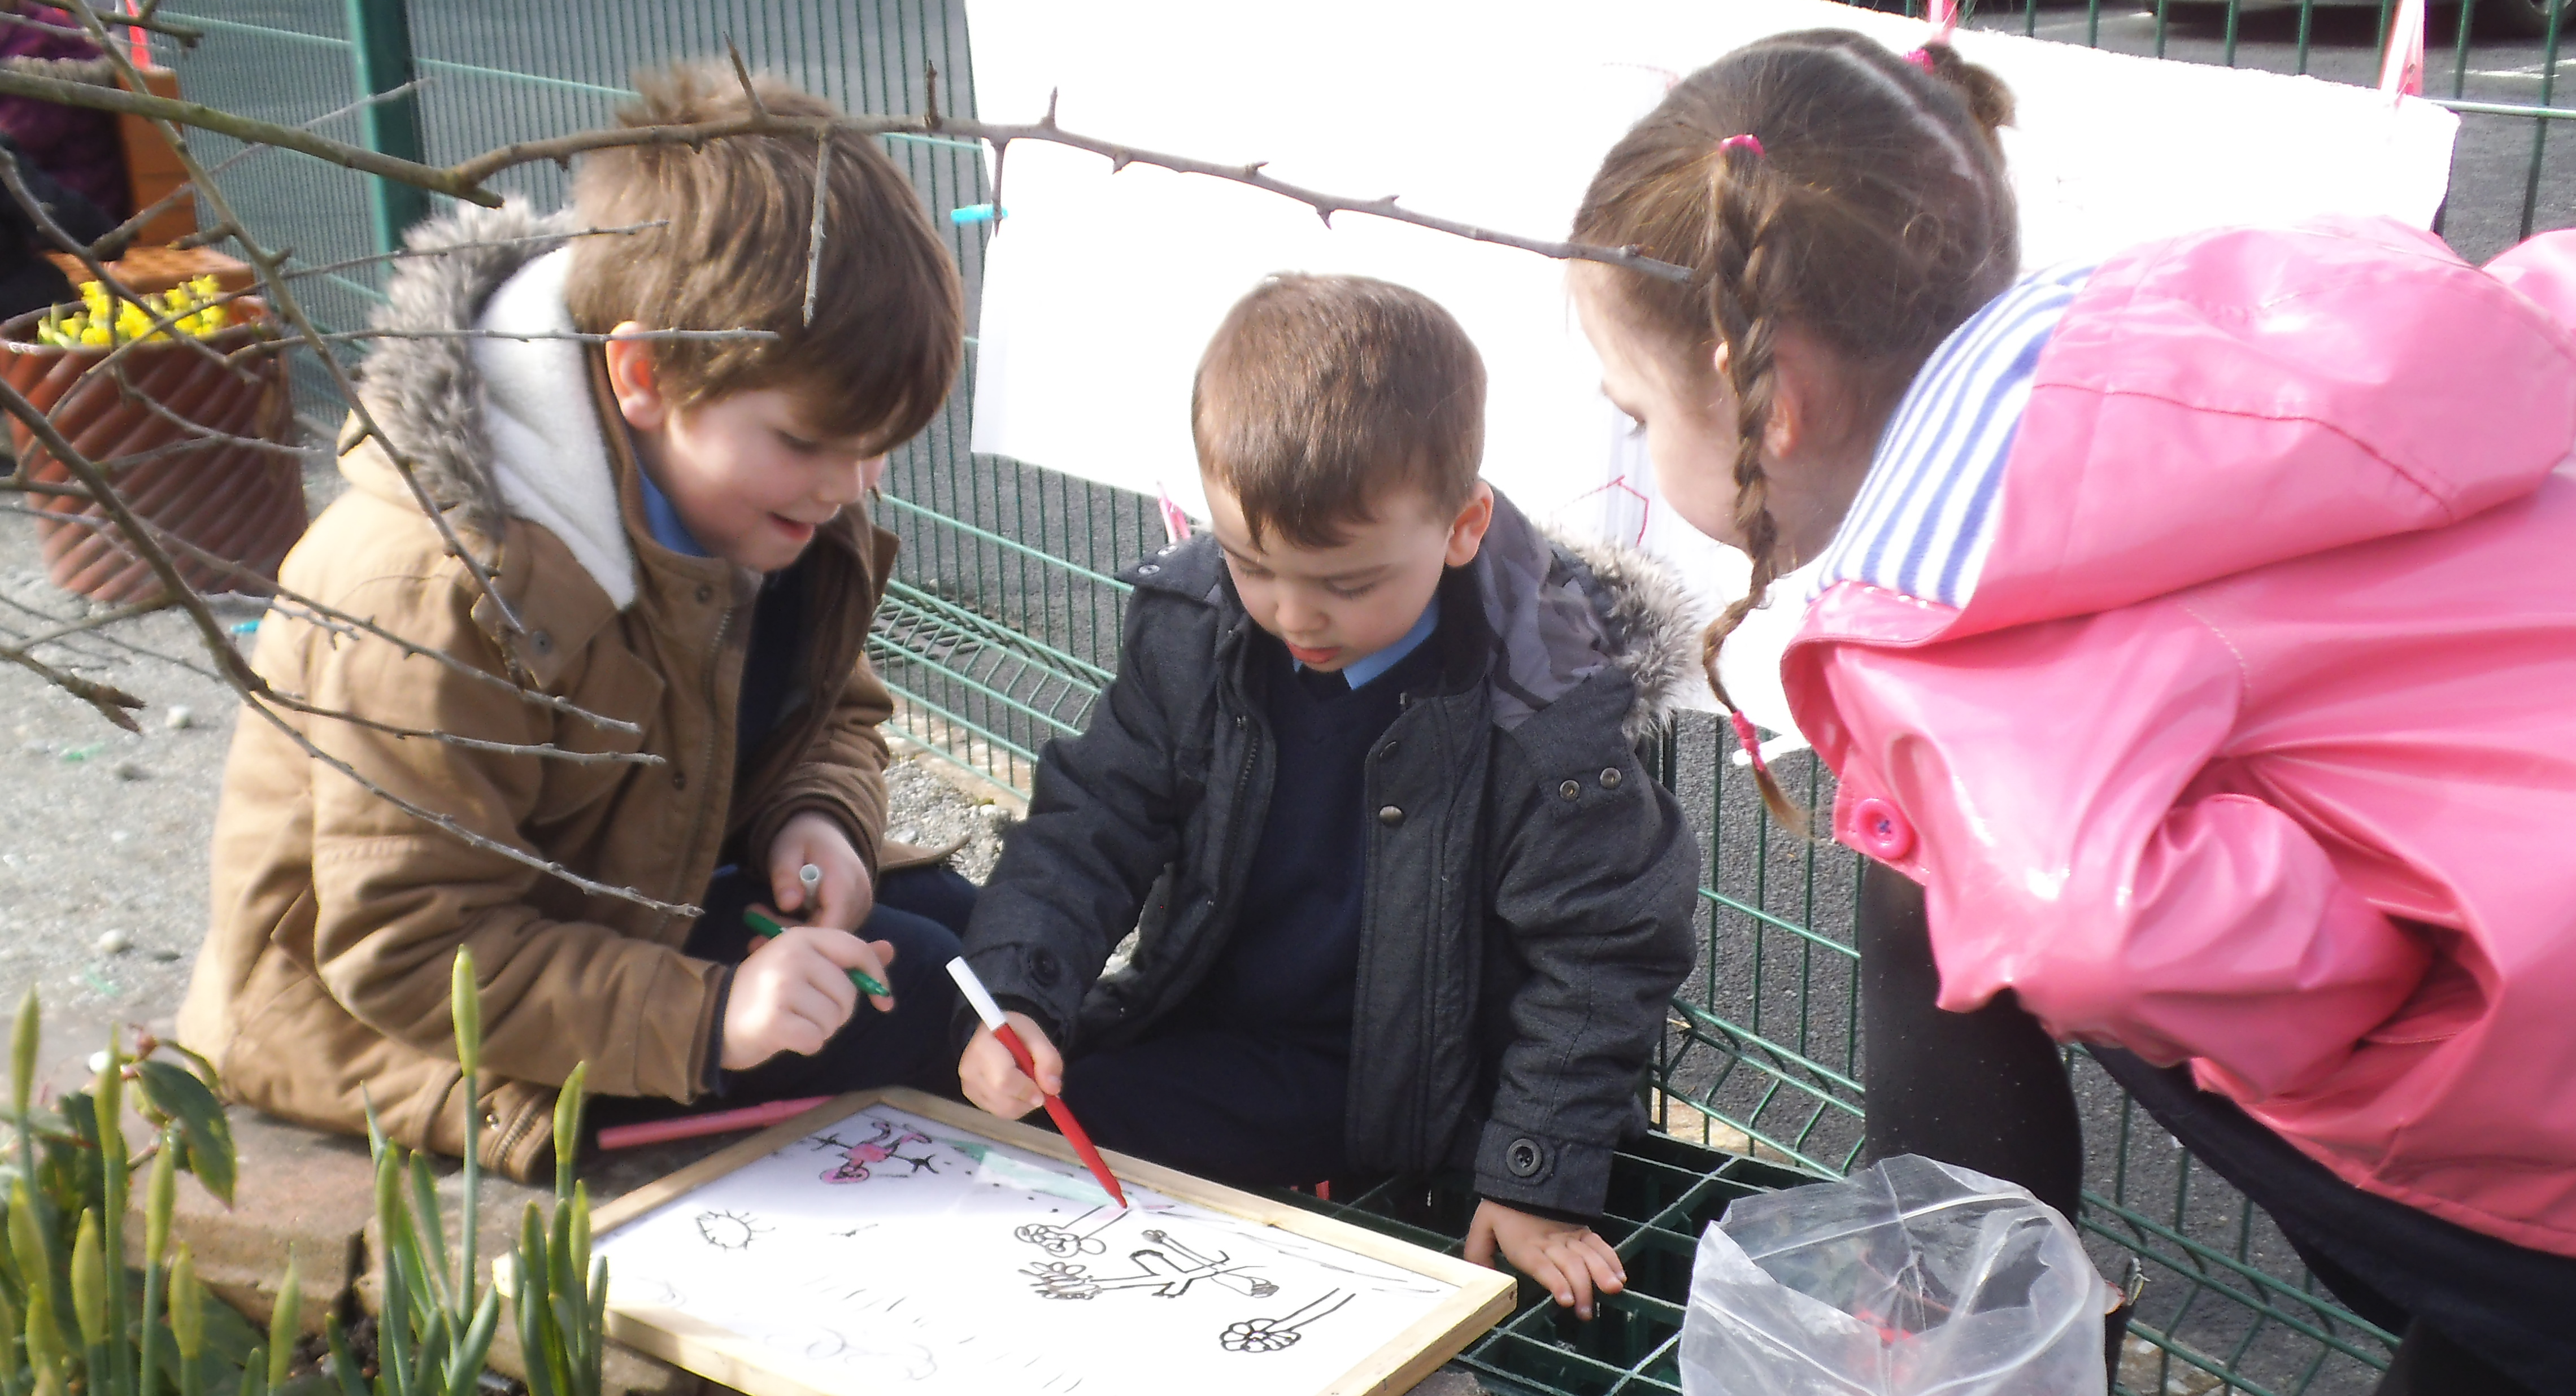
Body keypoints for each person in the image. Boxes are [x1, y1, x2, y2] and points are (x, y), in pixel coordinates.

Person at [1557, 27, 2576, 1396]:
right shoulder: (2152, 372)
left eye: (1633, 411)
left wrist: (2339, 996)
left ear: (1765, 396)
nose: (1629, 459)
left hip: (2550, 1088)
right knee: (1915, 902)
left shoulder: (1967, 632)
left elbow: (2110, 931)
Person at [180, 63, 972, 1179]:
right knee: (921, 1003)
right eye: (808, 444)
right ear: (642, 371)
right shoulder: (433, 586)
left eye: (874, 445)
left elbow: (833, 708)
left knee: (963, 931)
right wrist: (709, 1018)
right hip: (425, 1037)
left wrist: (818, 819)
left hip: (626, 907)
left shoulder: (748, 484)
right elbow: (409, 949)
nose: (849, 486)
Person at [954, 273, 1701, 1310]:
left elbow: (1608, 948)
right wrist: (1022, 995)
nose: (1293, 614)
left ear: (1463, 526)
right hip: (1214, 1012)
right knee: (970, 1059)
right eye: (1252, 563)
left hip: (1402, 1086)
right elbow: (1096, 818)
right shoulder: (1196, 628)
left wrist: (1533, 1173)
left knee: (1038, 1157)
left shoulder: (1546, 710)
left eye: (1348, 584)